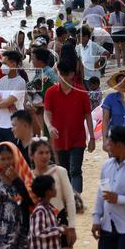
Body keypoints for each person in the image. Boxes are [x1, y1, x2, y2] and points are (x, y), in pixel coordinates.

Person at [29, 139, 81, 249]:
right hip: (40, 225)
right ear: (32, 155)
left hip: (61, 222)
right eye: (40, 153)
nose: (44, 156)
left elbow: (70, 199)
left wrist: (72, 226)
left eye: (47, 152)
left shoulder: (60, 172)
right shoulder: (28, 176)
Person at [45, 59, 96, 192]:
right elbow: (46, 113)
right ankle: (69, 199)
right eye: (61, 74)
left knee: (75, 170)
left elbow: (88, 115)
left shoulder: (81, 92)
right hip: (59, 139)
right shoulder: (50, 92)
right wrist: (49, 127)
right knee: (63, 171)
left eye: (66, 74)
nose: (63, 77)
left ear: (72, 74)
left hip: (78, 138)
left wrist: (92, 137)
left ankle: (76, 199)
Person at [0, 50, 27, 167]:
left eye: (4, 63)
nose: (1, 66)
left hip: (13, 127)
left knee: (13, 160)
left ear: (13, 64)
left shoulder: (20, 82)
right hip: (0, 125)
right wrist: (6, 103)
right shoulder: (2, 80)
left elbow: (11, 99)